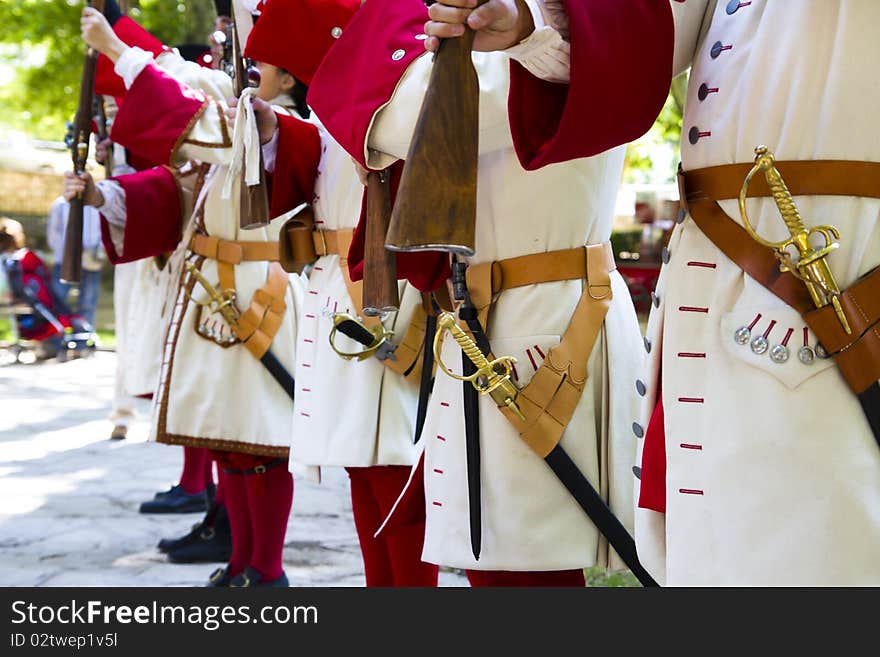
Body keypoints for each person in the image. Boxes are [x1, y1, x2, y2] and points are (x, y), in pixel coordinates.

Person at [432, 0, 880, 586]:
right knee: (719, 549)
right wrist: (530, 21)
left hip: (837, 281)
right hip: (722, 291)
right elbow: (639, 31)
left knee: (822, 539)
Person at [305, 0, 672, 586]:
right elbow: (382, 118)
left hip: (549, 316)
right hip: (482, 314)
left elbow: (416, 118)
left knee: (527, 565)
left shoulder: (569, 29)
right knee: (498, 562)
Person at [75, 0, 317, 586]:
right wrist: (103, 197)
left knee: (262, 443)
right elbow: (186, 188)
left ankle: (268, 569)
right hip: (215, 296)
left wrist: (118, 51)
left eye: (267, 62)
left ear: (292, 77)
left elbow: (199, 112)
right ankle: (238, 564)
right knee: (228, 445)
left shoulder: (288, 128)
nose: (251, 67)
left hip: (260, 300)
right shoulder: (243, 115)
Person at [256, 0, 439, 587]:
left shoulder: (396, 83)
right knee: (361, 467)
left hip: (388, 290)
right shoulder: (334, 104)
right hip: (340, 289)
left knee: (396, 472)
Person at [45, 195, 104, 328]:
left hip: (91, 260)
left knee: (88, 302)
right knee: (57, 299)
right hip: (65, 261)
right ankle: (55, 337)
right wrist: (67, 251)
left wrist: (97, 250)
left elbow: (104, 230)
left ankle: (83, 340)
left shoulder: (98, 203)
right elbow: (53, 233)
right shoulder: (61, 204)